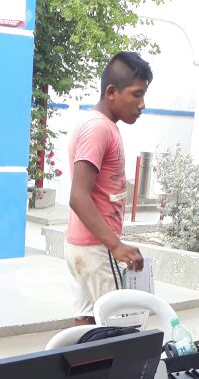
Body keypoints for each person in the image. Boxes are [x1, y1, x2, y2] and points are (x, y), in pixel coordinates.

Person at [65, 52, 152, 325]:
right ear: (111, 92)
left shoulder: (100, 125)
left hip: (83, 246)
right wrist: (115, 245)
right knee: (120, 329)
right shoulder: (98, 129)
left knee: (87, 326)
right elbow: (78, 196)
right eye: (136, 95)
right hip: (96, 248)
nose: (142, 104)